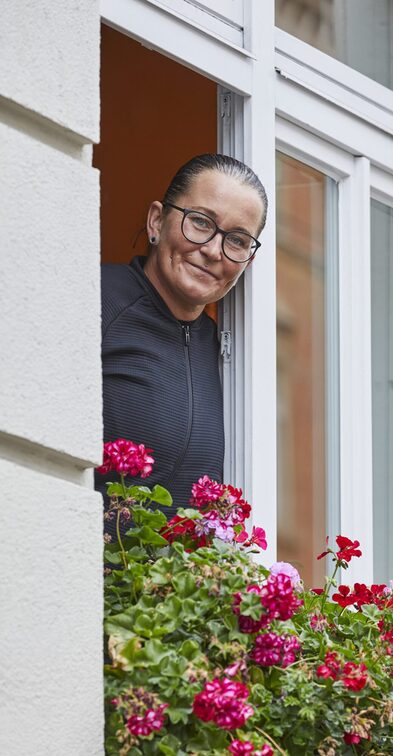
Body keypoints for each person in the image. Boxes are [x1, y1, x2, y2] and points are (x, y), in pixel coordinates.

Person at [97, 154, 268, 534]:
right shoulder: (97, 299)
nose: (211, 250)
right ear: (157, 220)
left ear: (248, 262)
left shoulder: (232, 353)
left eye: (237, 240)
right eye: (200, 222)